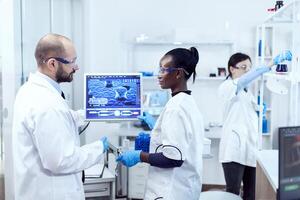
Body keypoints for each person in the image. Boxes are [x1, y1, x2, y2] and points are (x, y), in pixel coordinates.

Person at [12, 33, 109, 200]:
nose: (76, 67)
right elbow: (60, 161)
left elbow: (57, 121)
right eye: (72, 61)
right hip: (51, 193)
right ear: (52, 64)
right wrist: (98, 148)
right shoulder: (48, 104)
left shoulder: (30, 90)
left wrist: (88, 113)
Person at [117, 47, 204, 200]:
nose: (159, 74)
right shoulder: (186, 101)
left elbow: (173, 158)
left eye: (164, 70)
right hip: (185, 188)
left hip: (170, 191)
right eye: (159, 69)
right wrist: (158, 126)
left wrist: (139, 156)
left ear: (178, 73)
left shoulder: (175, 108)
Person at [218, 51, 292, 200]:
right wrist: (271, 63)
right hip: (234, 150)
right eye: (243, 67)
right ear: (232, 69)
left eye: (249, 68)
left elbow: (247, 116)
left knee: (251, 193)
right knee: (232, 193)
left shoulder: (247, 92)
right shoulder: (228, 87)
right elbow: (246, 79)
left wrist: (259, 112)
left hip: (250, 149)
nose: (247, 71)